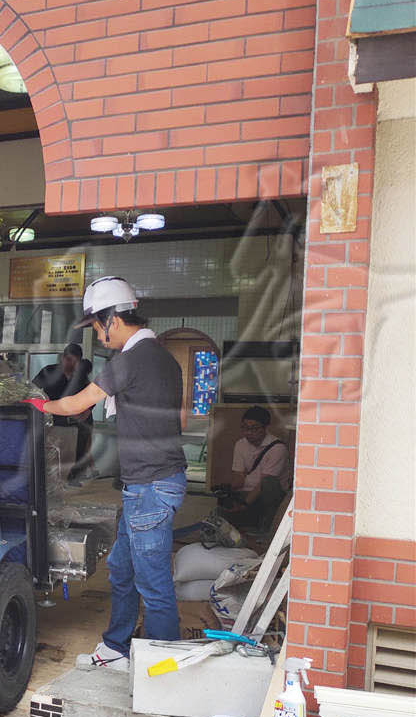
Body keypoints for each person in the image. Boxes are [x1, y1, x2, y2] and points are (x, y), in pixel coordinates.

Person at [26, 276, 187, 669]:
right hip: (149, 484)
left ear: (113, 319)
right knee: (121, 567)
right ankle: (117, 647)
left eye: (98, 327)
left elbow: (77, 404)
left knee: (153, 583)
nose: (98, 336)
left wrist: (36, 405)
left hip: (151, 486)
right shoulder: (164, 358)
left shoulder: (131, 360)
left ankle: (160, 670)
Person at [217, 406, 291, 532]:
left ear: (265, 428)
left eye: (254, 428)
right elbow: (239, 476)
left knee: (268, 483)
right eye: (245, 428)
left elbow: (263, 485)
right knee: (220, 515)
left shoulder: (278, 449)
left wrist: (244, 504)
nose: (248, 432)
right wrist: (228, 491)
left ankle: (267, 527)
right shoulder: (241, 444)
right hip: (247, 493)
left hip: (268, 496)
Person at [33, 343, 95, 479]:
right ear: (62, 358)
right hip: (53, 420)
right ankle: (52, 478)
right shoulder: (49, 371)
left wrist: (88, 410)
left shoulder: (81, 376)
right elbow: (33, 390)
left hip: (76, 422)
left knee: (79, 450)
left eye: (74, 361)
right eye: (68, 359)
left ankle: (74, 477)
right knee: (54, 453)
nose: (70, 363)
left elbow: (91, 394)